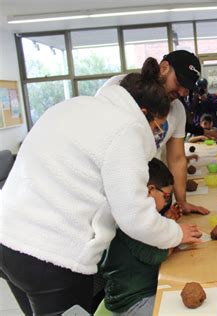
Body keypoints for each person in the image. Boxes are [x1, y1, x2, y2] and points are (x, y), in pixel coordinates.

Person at [0, 58, 202, 315]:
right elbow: (134, 216)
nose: (156, 132)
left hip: (7, 239)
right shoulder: (126, 131)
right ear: (142, 113)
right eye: (156, 125)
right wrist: (176, 233)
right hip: (50, 257)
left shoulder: (75, 105)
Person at [97, 50, 210, 215]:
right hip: (109, 187)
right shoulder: (121, 88)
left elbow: (177, 160)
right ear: (164, 68)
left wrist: (181, 202)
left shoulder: (177, 110)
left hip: (147, 190)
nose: (182, 92)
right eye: (179, 82)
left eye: (187, 88)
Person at [101, 158, 181, 315]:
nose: (166, 203)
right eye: (166, 197)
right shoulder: (132, 221)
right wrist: (177, 234)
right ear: (150, 190)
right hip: (133, 301)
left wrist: (166, 221)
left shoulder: (130, 210)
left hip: (140, 291)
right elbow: (156, 255)